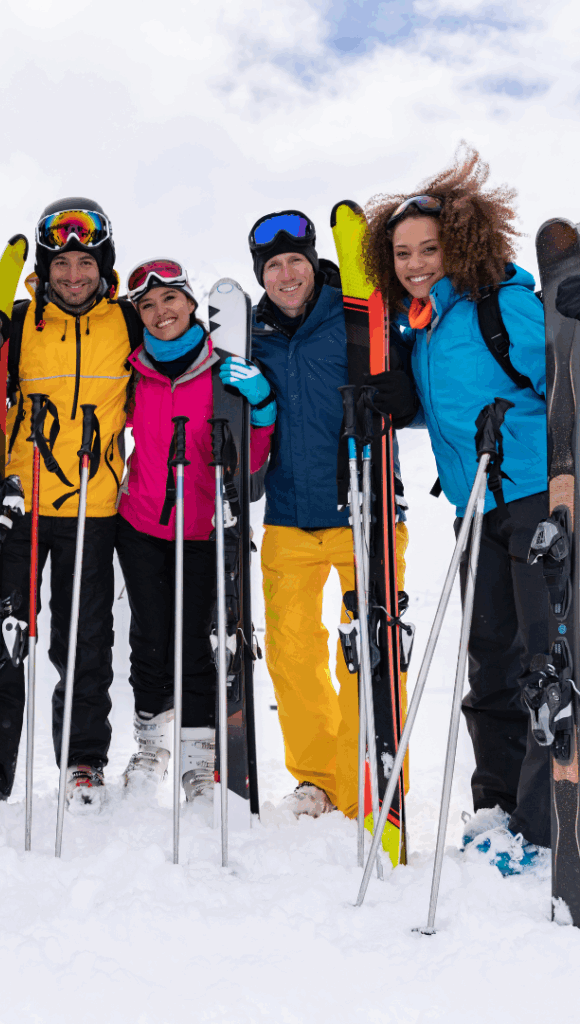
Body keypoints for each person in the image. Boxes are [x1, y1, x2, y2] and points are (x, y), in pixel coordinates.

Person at [364, 147, 549, 873]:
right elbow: (446, 405)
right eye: (403, 253)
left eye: (428, 249)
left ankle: (541, 819)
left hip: (539, 502)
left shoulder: (505, 307)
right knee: (490, 663)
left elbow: (558, 382)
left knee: (546, 664)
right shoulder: (426, 326)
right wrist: (399, 403)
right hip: (476, 508)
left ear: (462, 242)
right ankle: (496, 808)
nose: (414, 263)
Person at [0, 198, 139, 813]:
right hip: (20, 506)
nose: (72, 275)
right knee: (1, 636)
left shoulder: (127, 323)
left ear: (101, 265)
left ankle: (83, 763)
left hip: (95, 507)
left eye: (84, 263)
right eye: (61, 263)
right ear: (44, 268)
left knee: (85, 642)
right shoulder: (20, 322)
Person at [248, 210, 409, 820]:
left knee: (369, 651)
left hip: (364, 509)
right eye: (272, 267)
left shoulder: (360, 317)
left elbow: (412, 388)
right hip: (288, 514)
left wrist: (403, 395)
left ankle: (368, 772)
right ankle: (316, 779)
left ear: (315, 262)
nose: (286, 275)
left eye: (295, 262)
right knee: (292, 655)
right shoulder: (252, 336)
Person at [114, 258, 274, 810]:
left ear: (190, 303)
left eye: (170, 301)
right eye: (148, 306)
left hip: (207, 528)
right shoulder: (133, 370)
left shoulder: (221, 367)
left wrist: (263, 408)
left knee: (198, 644)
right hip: (140, 525)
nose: (161, 313)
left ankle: (197, 759)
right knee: (150, 638)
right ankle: (152, 747)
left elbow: (252, 462)